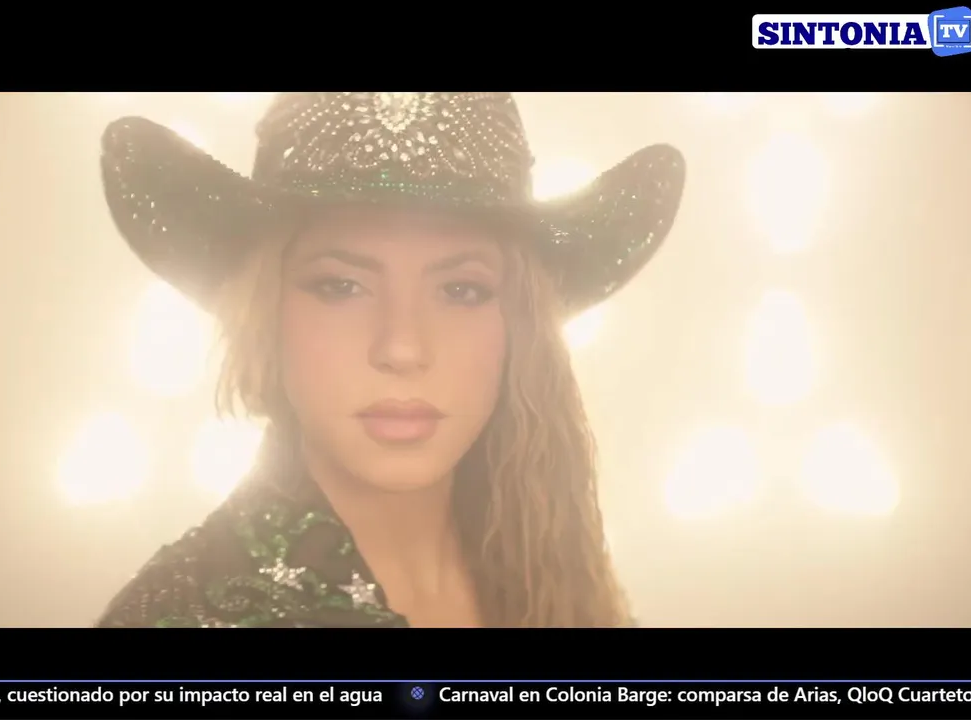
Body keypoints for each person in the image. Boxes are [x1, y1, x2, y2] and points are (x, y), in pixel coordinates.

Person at [95, 92, 685, 628]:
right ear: (266, 313)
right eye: (340, 287)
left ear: (519, 325)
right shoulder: (171, 618)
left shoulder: (551, 567)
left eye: (461, 290)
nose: (402, 348)